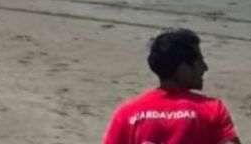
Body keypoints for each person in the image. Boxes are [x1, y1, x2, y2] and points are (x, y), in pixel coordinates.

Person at [102, 29, 240, 144]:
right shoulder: (212, 109)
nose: (205, 68)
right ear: (183, 68)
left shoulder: (127, 113)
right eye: (199, 61)